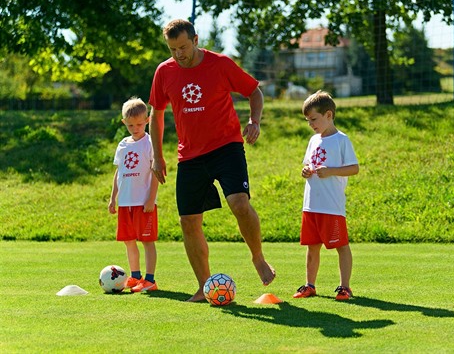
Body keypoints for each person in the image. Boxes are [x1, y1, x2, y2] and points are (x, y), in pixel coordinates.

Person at [148, 19, 275, 302]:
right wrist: (157, 156)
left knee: (239, 204)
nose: (178, 54)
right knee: (188, 220)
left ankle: (257, 257)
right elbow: (156, 113)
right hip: (190, 155)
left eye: (182, 47)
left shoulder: (220, 64)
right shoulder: (164, 72)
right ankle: (204, 286)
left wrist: (254, 121)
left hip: (226, 147)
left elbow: (254, 91)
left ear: (195, 39)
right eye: (172, 49)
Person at [293, 91, 359, 300]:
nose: (311, 124)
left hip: (331, 206)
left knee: (341, 246)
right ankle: (310, 285)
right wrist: (305, 171)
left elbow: (354, 168)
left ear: (328, 115)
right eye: (308, 120)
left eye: (314, 119)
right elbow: (308, 164)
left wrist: (330, 171)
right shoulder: (313, 140)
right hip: (311, 205)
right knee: (312, 248)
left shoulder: (341, 140)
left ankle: (344, 287)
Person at [108, 97, 159, 292]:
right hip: (125, 202)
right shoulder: (123, 145)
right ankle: (135, 276)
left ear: (147, 121)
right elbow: (118, 172)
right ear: (124, 123)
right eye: (130, 125)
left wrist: (150, 198)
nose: (135, 128)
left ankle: (150, 280)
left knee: (147, 241)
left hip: (143, 202)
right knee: (129, 241)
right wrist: (113, 198)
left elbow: (156, 171)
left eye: (139, 124)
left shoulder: (150, 142)